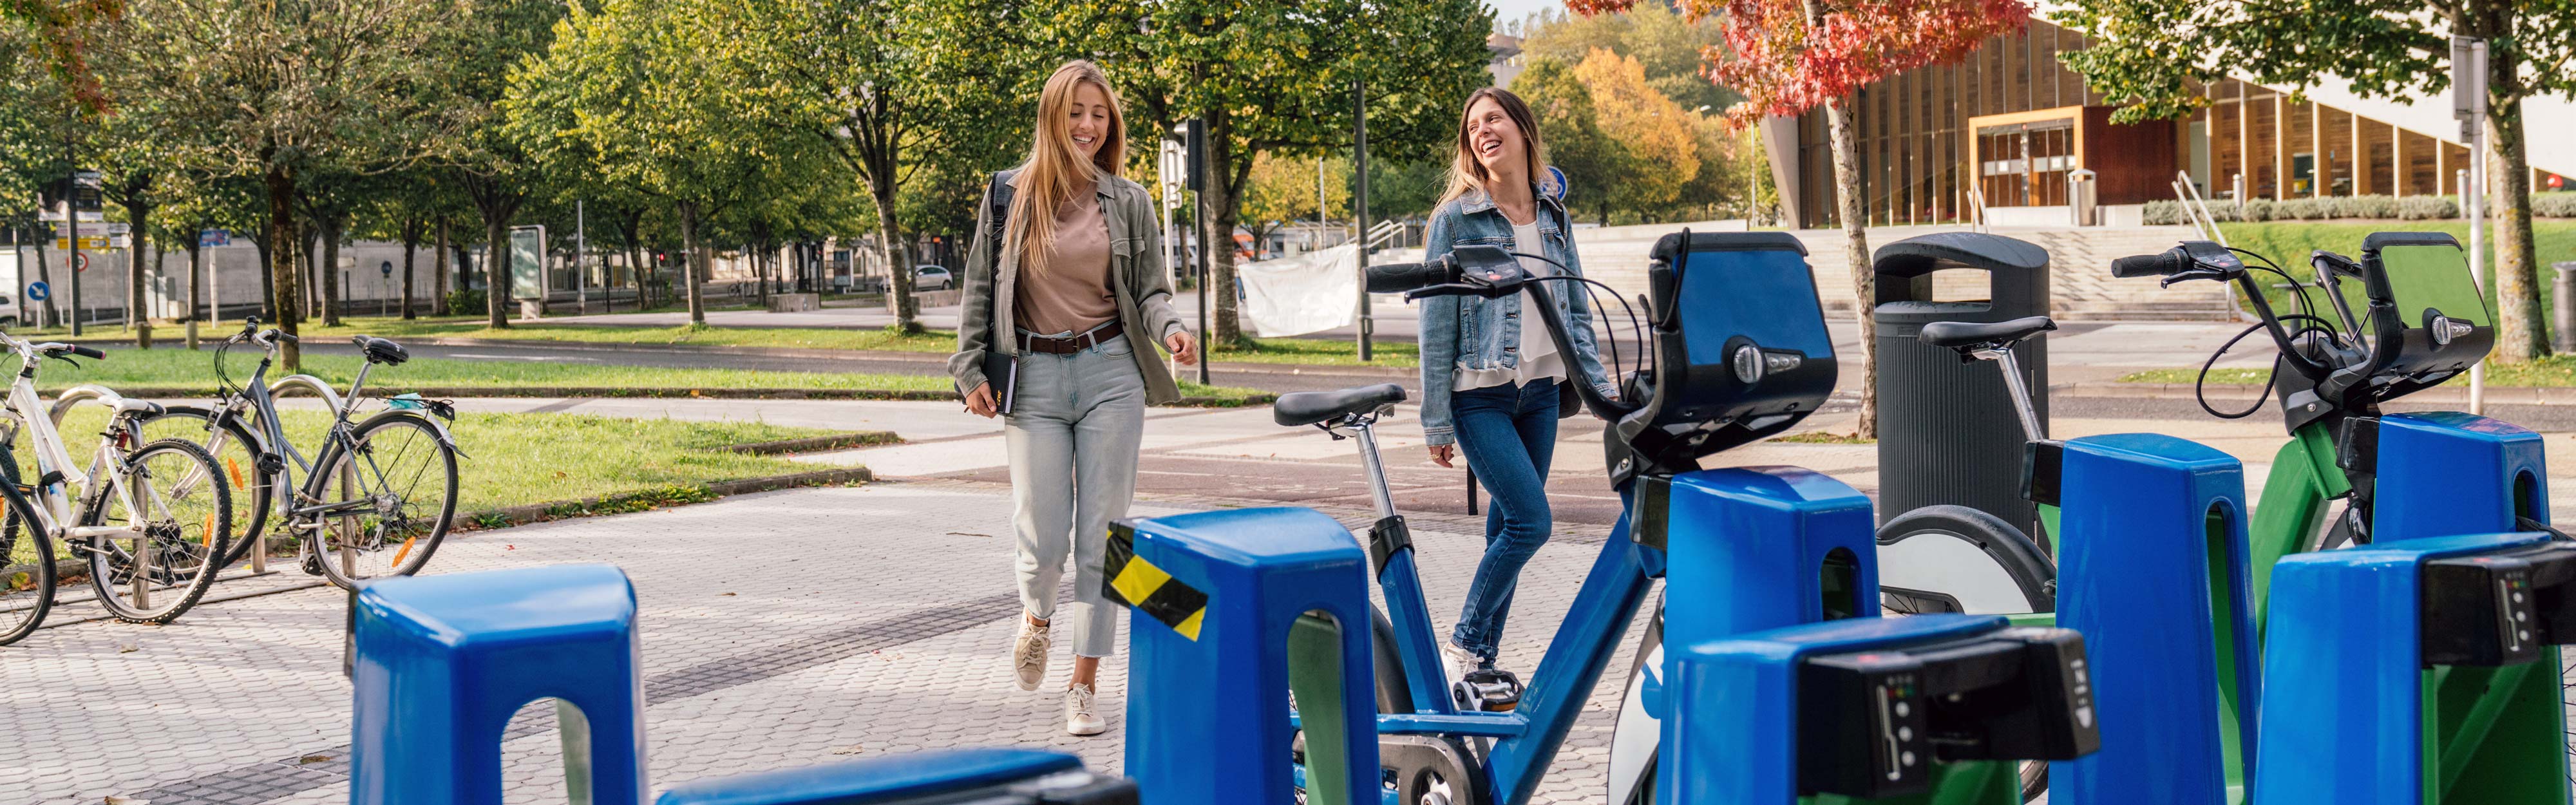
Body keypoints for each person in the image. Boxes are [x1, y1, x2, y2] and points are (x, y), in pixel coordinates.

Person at [948, 59, 1200, 736]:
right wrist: (968, 366)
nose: (1088, 125)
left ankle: (1083, 682)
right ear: (1052, 118)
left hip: (1111, 372)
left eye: (1099, 114)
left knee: (1105, 537)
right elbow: (979, 285)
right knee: (1041, 539)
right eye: (1076, 113)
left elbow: (1149, 291)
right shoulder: (1008, 195)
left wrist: (1172, 329)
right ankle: (1036, 616)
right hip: (1030, 376)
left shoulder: (1129, 201)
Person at [1416, 86, 1616, 684]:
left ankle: (1480, 667)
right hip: (1480, 395)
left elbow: (1575, 309)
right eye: (1473, 126)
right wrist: (1436, 418)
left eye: (1494, 118)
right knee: (1532, 523)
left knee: (1506, 526)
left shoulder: (1554, 216)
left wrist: (1605, 391)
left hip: (1542, 393)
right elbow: (1436, 324)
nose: (1483, 131)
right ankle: (1462, 643)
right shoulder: (1455, 220)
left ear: (1523, 129)